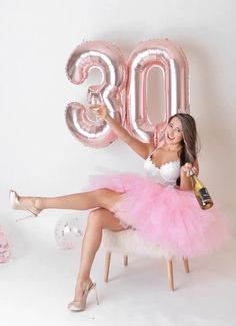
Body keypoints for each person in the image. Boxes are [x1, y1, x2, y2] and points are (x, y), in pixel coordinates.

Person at [9, 105, 230, 312]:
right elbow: (126, 138)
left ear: (186, 136)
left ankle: (38, 204)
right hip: (141, 204)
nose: (172, 131)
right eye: (171, 125)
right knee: (96, 217)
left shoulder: (188, 159)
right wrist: (107, 117)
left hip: (161, 214)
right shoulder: (153, 149)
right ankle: (82, 283)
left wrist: (186, 172)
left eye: (178, 129)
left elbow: (184, 194)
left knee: (102, 195)